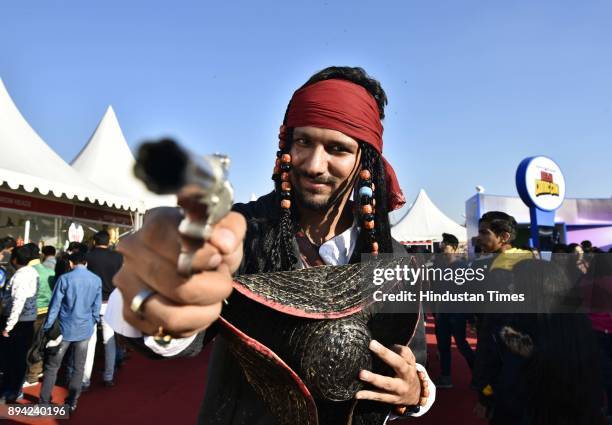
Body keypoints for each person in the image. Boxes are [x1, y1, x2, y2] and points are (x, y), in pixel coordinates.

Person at [107, 66, 435, 424]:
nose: (314, 164)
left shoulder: (393, 258)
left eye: (337, 148)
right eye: (304, 141)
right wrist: (153, 299)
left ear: (364, 162)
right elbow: (180, 331)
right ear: (286, 145)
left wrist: (416, 392)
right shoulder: (240, 232)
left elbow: (409, 358)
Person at [487, 260, 603, 425]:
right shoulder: (575, 323)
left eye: (515, 283)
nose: (510, 288)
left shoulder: (523, 331)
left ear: (533, 289)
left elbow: (511, 388)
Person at [39, 251, 102, 411]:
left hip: (64, 329)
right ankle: (72, 401)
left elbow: (55, 306)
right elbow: (96, 306)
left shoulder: (64, 279)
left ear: (71, 263)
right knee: (78, 367)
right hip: (85, 328)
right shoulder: (96, 280)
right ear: (85, 263)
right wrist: (93, 320)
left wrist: (48, 327)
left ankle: (44, 402)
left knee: (52, 367)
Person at [82, 231, 123, 388]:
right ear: (109, 241)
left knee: (89, 341)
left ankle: (85, 379)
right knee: (109, 340)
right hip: (111, 302)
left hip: (91, 302)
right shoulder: (118, 257)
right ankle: (108, 376)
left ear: (94, 241)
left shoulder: (88, 256)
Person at [433, 233, 475, 389]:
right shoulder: (439, 267)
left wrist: (470, 318)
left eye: (446, 244)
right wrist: (436, 313)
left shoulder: (463, 267)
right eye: (442, 243)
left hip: (457, 313)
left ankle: (478, 375)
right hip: (443, 314)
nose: (443, 246)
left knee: (462, 345)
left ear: (455, 248)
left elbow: (469, 293)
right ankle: (445, 377)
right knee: (443, 346)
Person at [0, 244, 39, 403]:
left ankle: (10, 391)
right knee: (19, 357)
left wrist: (8, 326)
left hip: (17, 322)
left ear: (15, 259)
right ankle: (14, 389)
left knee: (12, 358)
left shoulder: (20, 276)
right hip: (27, 321)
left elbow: (18, 302)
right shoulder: (33, 272)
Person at [24, 245, 57, 385]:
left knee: (28, 344)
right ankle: (35, 371)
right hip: (46, 311)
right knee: (39, 343)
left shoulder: (27, 271)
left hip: (29, 313)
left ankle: (30, 374)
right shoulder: (49, 271)